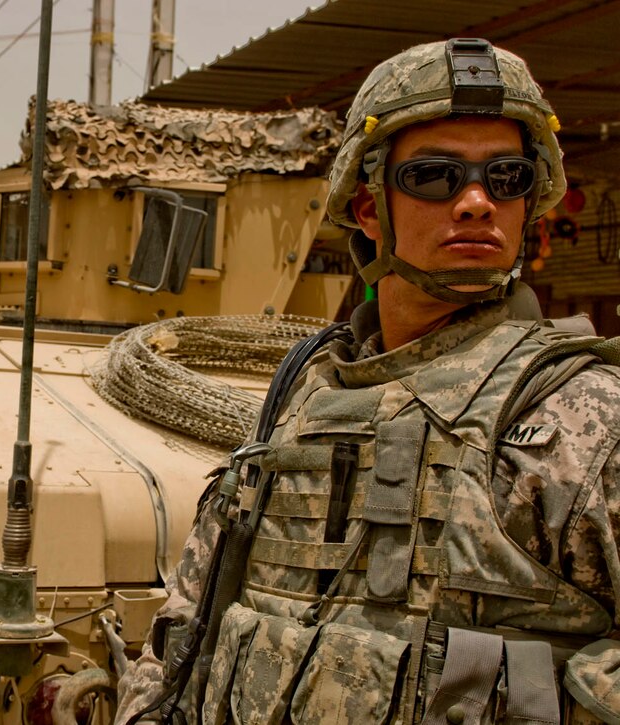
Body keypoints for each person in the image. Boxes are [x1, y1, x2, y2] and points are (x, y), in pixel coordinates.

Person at [115, 38, 620, 724]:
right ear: (368, 209)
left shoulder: (582, 417)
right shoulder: (301, 394)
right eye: (436, 176)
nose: (476, 202)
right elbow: (187, 626)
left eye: (506, 178)